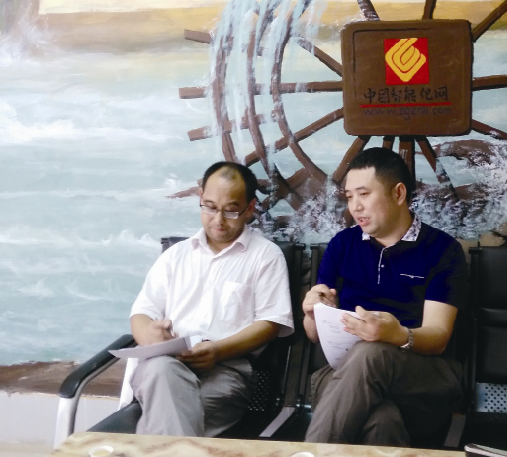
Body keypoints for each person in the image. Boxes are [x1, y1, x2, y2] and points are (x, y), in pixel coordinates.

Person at [302, 147, 468, 446]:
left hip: (422, 377)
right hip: (344, 377)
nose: (355, 207)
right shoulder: (342, 244)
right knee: (382, 420)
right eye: (349, 197)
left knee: (371, 353)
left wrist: (397, 335)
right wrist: (312, 313)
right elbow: (314, 335)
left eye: (364, 194)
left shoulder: (442, 250)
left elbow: (439, 336)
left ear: (398, 193)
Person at [129, 161, 294, 437]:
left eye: (230, 210)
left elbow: (270, 323)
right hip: (166, 364)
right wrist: (150, 336)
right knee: (160, 372)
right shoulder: (175, 256)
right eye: (209, 207)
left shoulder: (265, 256)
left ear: (250, 209)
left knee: (169, 414)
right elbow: (142, 313)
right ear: (200, 198)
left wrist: (217, 350)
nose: (218, 220)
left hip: (225, 370)